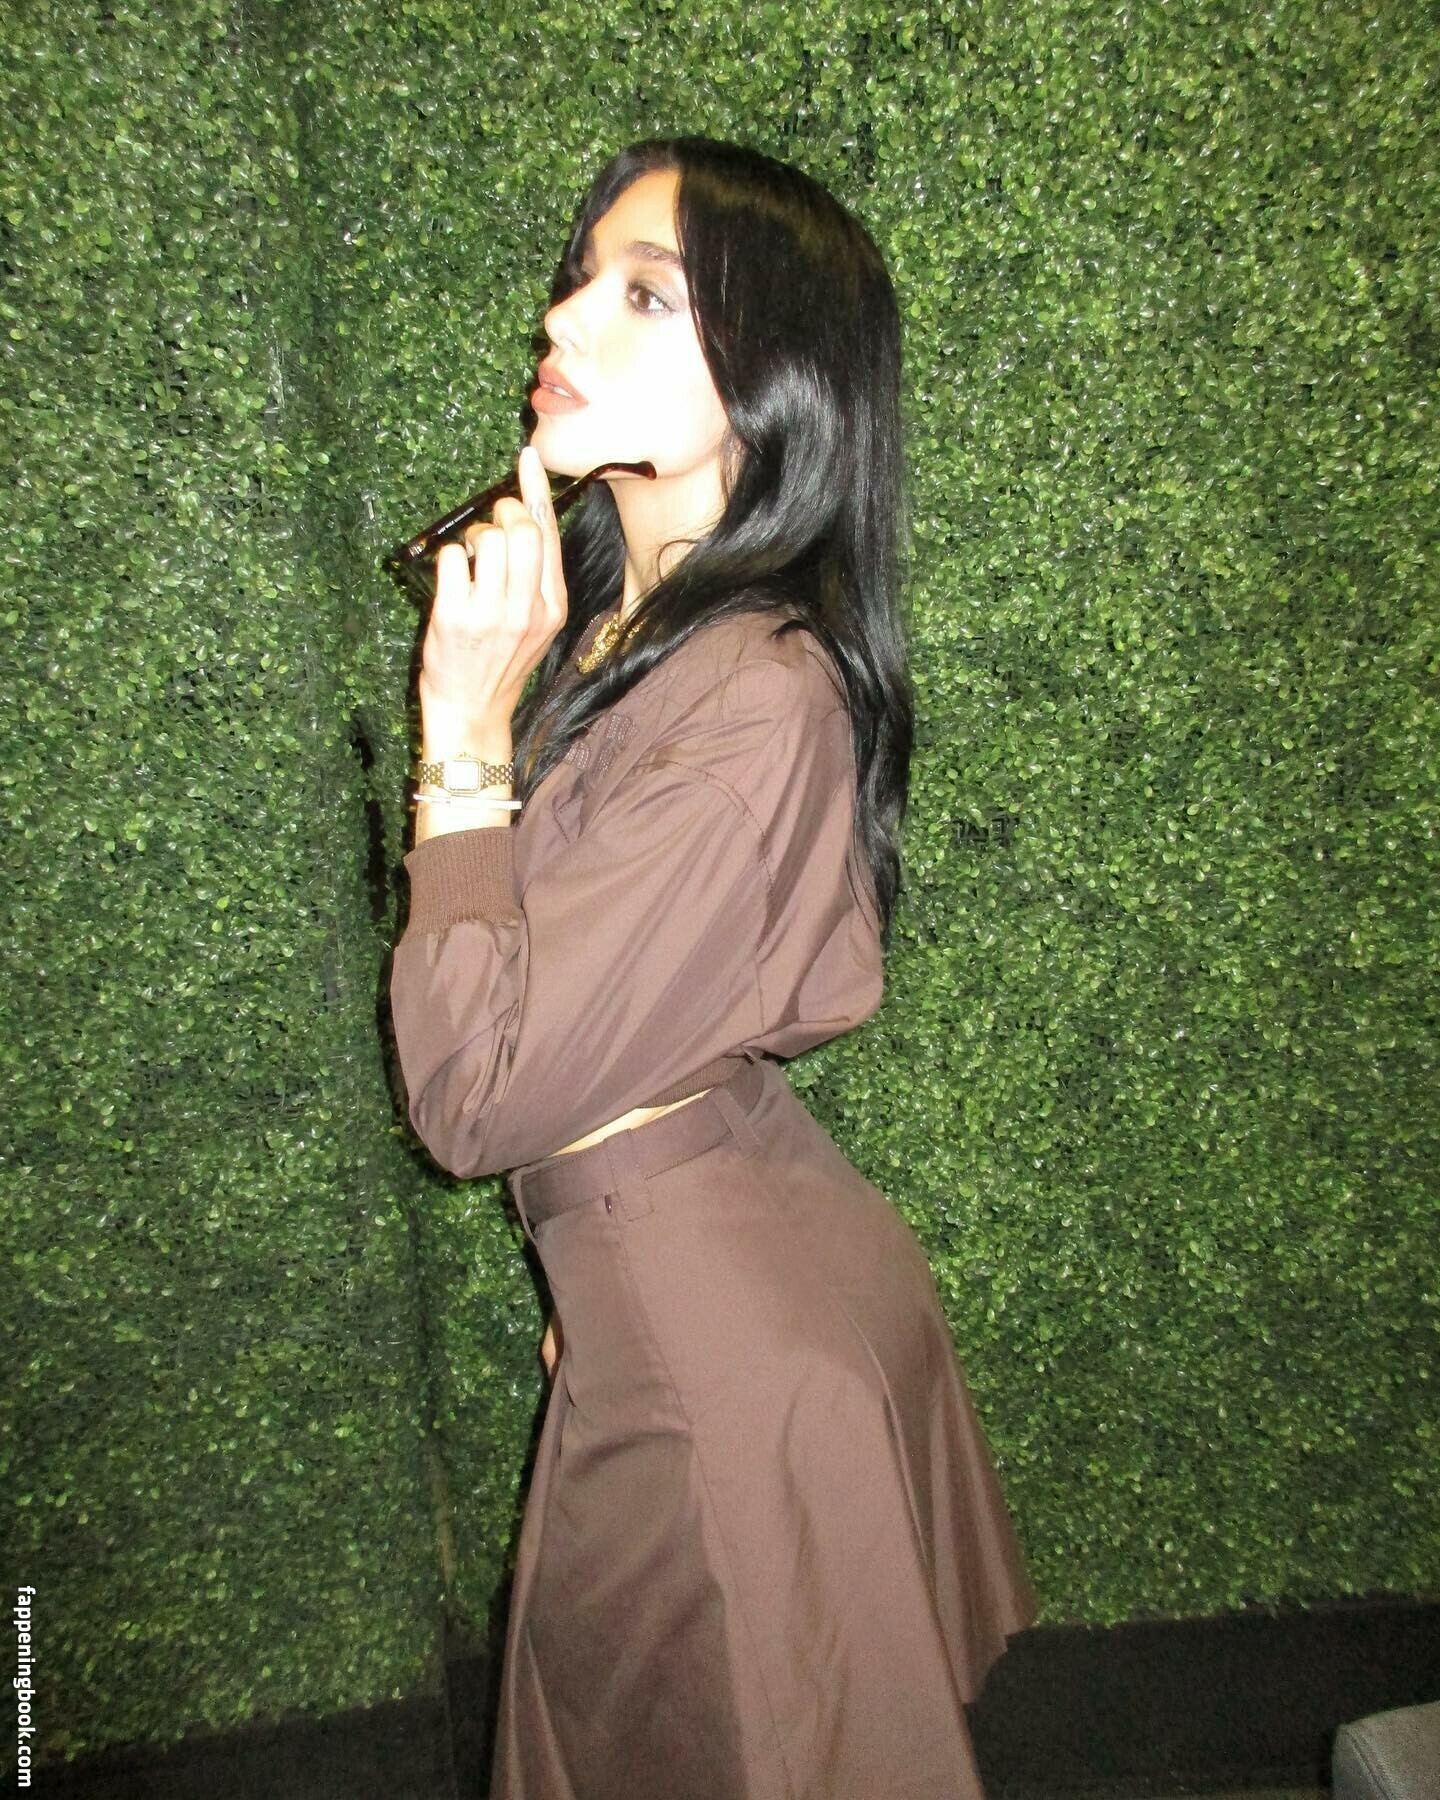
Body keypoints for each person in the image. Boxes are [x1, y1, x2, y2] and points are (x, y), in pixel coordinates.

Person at [388, 134, 1037, 1800]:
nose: (563, 317)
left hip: (723, 1365)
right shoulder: (625, 632)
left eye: (643, 295)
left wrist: (462, 741)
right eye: (579, 277)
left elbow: (471, 1093)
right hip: (685, 1290)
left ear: (772, 377)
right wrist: (594, 1284)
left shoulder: (761, 695)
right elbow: (590, 1020)